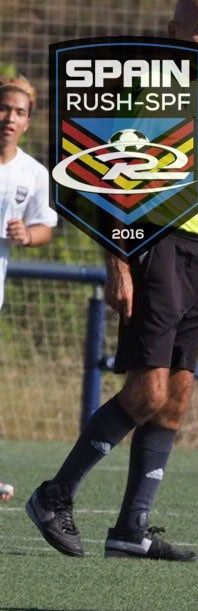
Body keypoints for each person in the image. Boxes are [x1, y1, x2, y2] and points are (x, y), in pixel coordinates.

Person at [26, 0, 198, 560]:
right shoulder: (150, 95)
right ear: (173, 32)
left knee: (176, 398)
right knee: (149, 389)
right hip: (152, 247)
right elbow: (99, 176)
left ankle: (131, 528)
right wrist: (117, 261)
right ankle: (54, 495)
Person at [0, 75, 58, 502]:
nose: (9, 118)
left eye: (19, 113)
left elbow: (45, 228)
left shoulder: (33, 173)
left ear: (28, 122)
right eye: (4, 108)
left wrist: (26, 235)